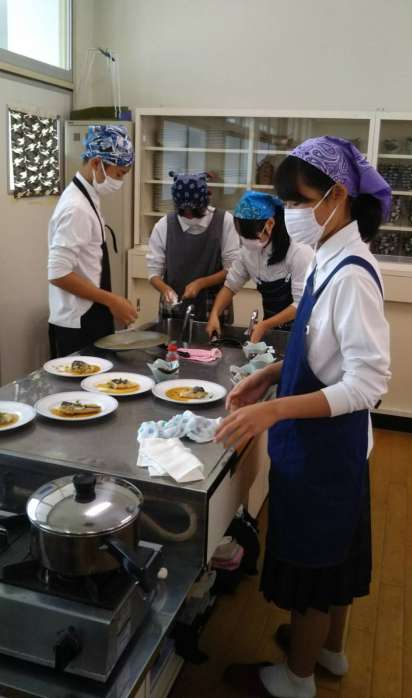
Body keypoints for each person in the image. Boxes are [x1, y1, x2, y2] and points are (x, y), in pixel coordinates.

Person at [215, 136, 391, 698]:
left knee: (316, 567)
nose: (290, 212)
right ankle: (328, 651)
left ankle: (297, 679)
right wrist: (269, 375)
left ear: (337, 196)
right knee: (336, 560)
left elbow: (367, 383)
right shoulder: (330, 258)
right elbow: (320, 347)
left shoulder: (352, 277)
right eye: (285, 201)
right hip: (329, 450)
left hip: (326, 454)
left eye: (298, 200)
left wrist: (273, 410)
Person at [48, 125, 137, 357]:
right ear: (97, 163)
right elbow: (58, 273)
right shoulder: (76, 207)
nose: (119, 182)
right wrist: (112, 300)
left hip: (92, 313)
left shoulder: (88, 198)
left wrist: (109, 303)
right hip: (78, 323)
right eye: (119, 174)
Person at [206, 191, 313, 343]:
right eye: (242, 235)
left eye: (250, 235)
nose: (246, 241)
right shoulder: (247, 252)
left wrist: (265, 325)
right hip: (272, 328)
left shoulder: (298, 250)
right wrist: (214, 314)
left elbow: (301, 304)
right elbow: (230, 286)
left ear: (270, 224)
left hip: (302, 330)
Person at [147, 171, 239, 321]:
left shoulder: (224, 222)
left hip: (214, 306)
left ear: (206, 201)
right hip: (174, 308)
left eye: (195, 211)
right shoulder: (164, 225)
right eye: (183, 211)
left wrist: (201, 283)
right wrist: (165, 290)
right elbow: (153, 273)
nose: (189, 215)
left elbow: (232, 270)